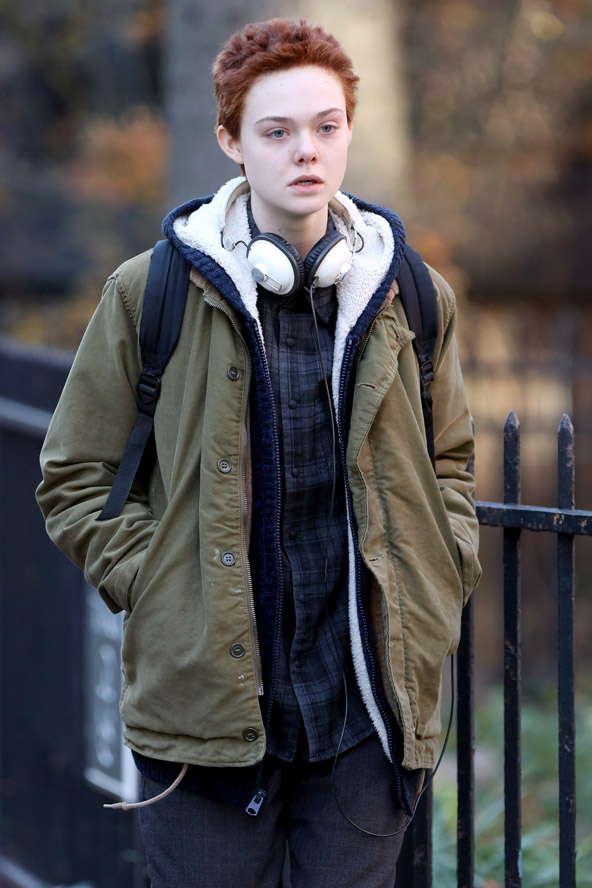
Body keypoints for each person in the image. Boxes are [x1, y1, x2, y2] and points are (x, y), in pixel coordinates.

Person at [36, 18, 481, 888]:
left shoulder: (414, 296)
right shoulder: (150, 292)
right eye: (276, 131)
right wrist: (159, 583)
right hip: (204, 718)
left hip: (366, 716)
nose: (305, 150)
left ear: (347, 131)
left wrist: (442, 570)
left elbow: (452, 464)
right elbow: (74, 476)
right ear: (231, 141)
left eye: (325, 126)